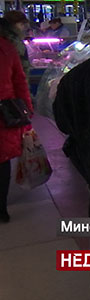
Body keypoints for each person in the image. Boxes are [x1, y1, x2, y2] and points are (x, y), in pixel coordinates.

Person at [0, 33, 33, 223]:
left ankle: (1, 207)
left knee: (2, 162)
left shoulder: (7, 48)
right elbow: (19, 81)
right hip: (5, 112)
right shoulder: (6, 48)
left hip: (5, 112)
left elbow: (19, 80)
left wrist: (26, 111)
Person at [0, 11, 30, 78]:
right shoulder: (14, 41)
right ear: (13, 24)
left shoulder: (6, 37)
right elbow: (21, 66)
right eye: (21, 24)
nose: (23, 27)